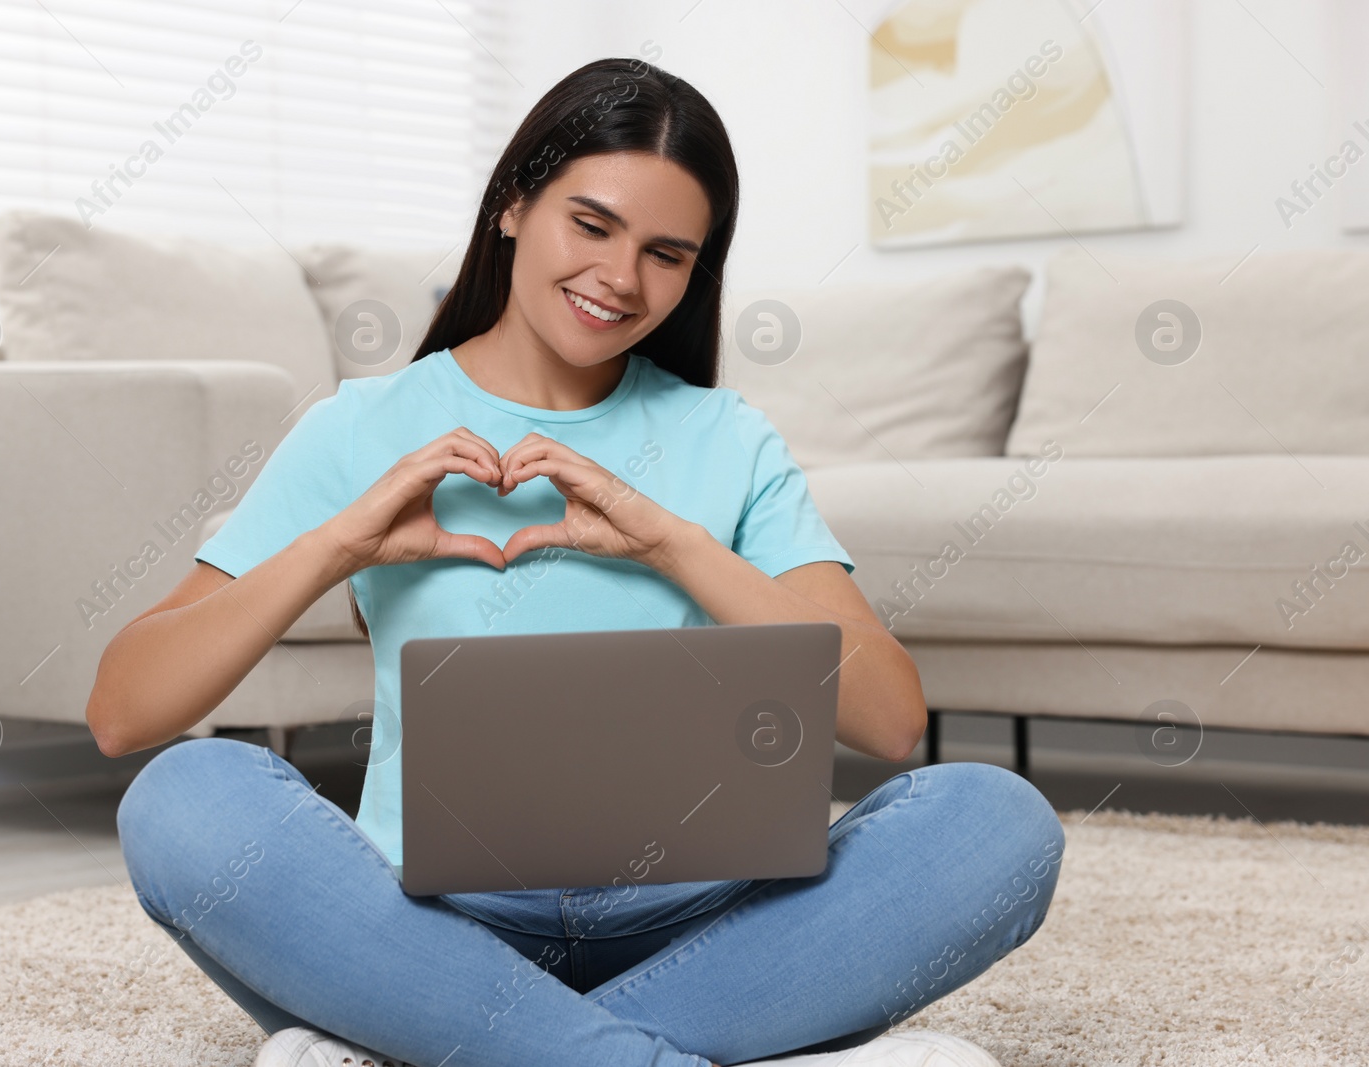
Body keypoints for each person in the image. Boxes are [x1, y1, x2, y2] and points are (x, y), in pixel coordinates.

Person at [89, 56, 1065, 1067]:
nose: (620, 278)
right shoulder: (360, 428)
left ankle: (453, 1047)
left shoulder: (726, 437)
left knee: (997, 823)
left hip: (705, 924)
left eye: (666, 253)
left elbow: (890, 717)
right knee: (185, 797)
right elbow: (126, 708)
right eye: (590, 224)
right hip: (427, 927)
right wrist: (338, 543)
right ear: (512, 204)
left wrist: (673, 542)